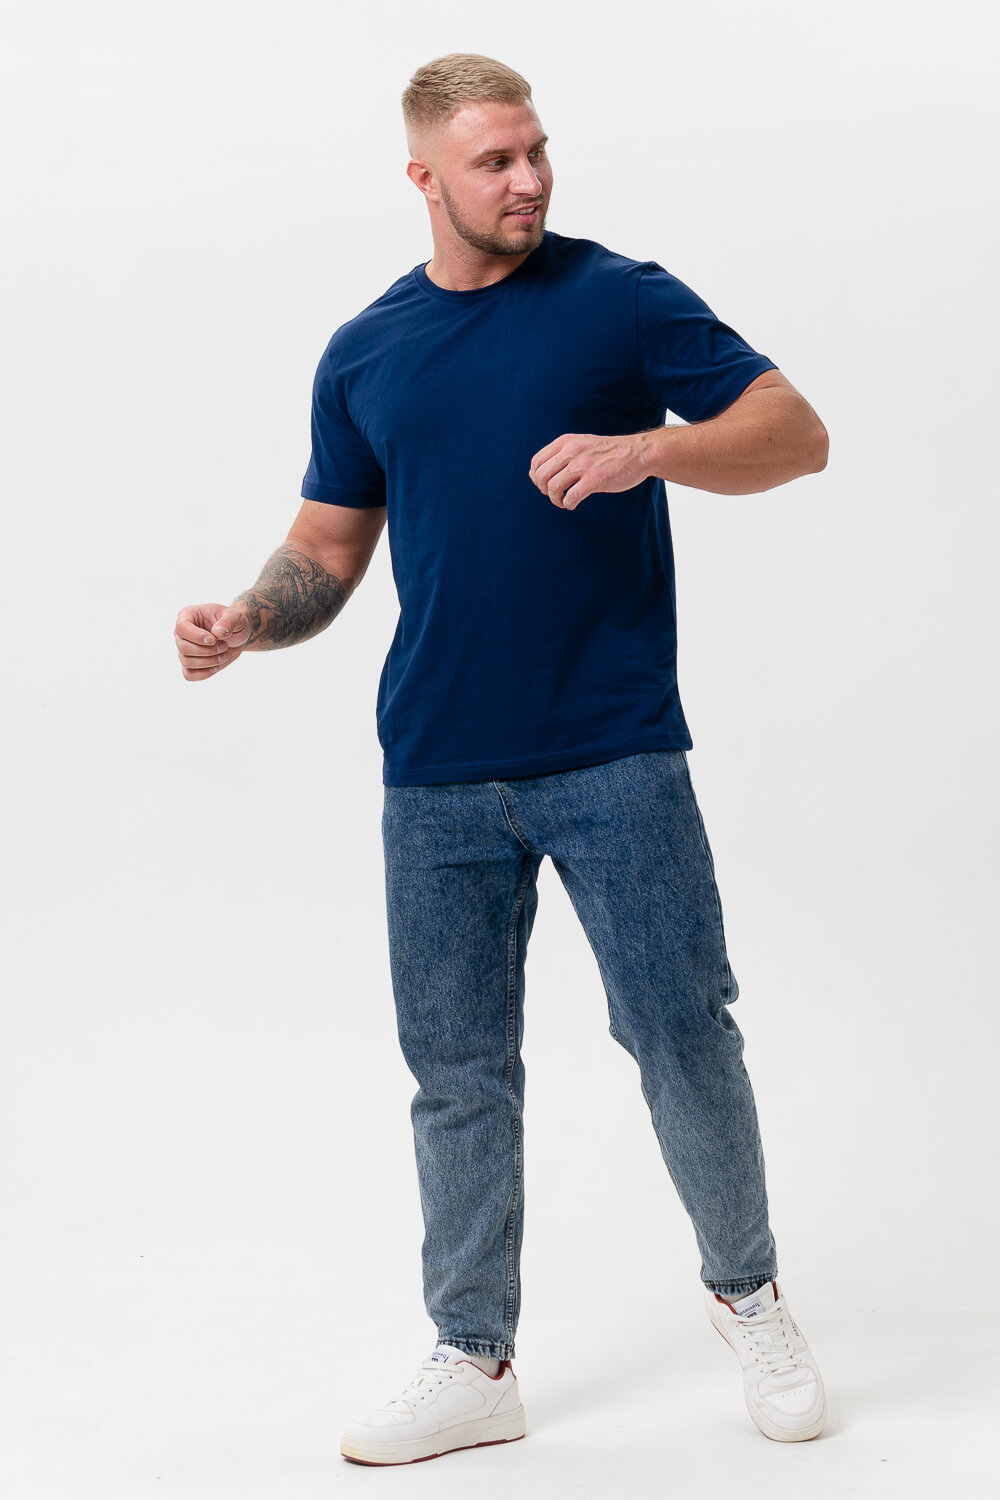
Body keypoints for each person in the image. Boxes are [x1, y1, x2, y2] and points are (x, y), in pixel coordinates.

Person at [175, 52, 830, 1467]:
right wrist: (249, 619)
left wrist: (650, 452)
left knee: (681, 1033)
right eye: (494, 161)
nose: (527, 179)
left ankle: (750, 1296)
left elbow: (795, 433)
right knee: (459, 1071)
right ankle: (474, 1357)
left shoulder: (618, 298)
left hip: (613, 752)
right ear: (425, 177)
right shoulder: (366, 350)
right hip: (435, 768)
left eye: (536, 151)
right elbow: (328, 544)